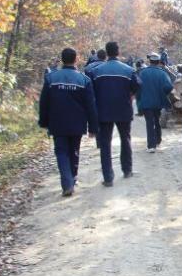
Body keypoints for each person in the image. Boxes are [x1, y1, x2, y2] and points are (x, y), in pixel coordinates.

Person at [38, 48, 99, 197]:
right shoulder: (84, 80)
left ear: (62, 59)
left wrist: (44, 121)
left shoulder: (51, 78)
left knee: (61, 152)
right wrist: (93, 127)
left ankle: (67, 182)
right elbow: (91, 106)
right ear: (76, 59)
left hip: (57, 122)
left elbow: (44, 102)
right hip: (77, 123)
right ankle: (71, 178)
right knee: (74, 151)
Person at [89, 42, 140, 186]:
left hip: (103, 111)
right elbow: (137, 86)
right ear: (118, 52)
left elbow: (91, 91)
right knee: (125, 139)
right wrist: (129, 95)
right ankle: (127, 170)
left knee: (105, 143)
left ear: (107, 52)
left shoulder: (96, 71)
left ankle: (108, 177)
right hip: (123, 109)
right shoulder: (128, 70)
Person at [137, 53, 173, 152]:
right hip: (158, 102)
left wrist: (140, 99)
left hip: (146, 103)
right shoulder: (163, 73)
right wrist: (162, 93)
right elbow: (169, 87)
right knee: (156, 120)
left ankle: (151, 146)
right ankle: (158, 140)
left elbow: (138, 87)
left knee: (149, 123)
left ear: (150, 61)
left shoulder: (142, 73)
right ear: (158, 62)